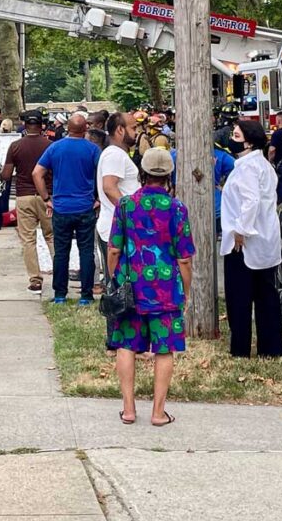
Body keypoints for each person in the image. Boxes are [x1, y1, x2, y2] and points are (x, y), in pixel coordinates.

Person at [107, 147, 194, 426]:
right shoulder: (177, 208)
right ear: (169, 175)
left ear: (142, 173)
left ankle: (129, 409)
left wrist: (115, 281)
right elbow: (184, 258)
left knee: (126, 345)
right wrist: (186, 291)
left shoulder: (125, 205)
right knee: (165, 348)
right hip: (166, 289)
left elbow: (113, 250)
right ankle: (158, 413)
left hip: (130, 287)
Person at [220, 119, 282, 358]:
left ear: (248, 142)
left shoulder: (247, 167)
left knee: (239, 300)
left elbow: (251, 201)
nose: (231, 140)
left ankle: (240, 349)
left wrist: (240, 230)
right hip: (265, 241)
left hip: (244, 243)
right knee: (266, 297)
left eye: (236, 136)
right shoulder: (263, 165)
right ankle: (272, 348)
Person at [32, 114, 101, 305]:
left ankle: (60, 294)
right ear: (85, 128)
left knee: (61, 252)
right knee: (86, 251)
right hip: (85, 206)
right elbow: (103, 174)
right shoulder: (92, 149)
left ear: (68, 128)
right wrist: (98, 199)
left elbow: (37, 173)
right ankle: (86, 295)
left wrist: (47, 198)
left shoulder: (55, 147)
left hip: (61, 207)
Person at [2, 110, 55, 293]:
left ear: (25, 126)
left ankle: (35, 280)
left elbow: (6, 175)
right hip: (47, 196)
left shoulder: (15, 146)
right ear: (42, 126)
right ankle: (60, 274)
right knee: (52, 236)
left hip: (24, 196)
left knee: (28, 239)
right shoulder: (51, 146)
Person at [97, 112, 140, 291]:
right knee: (118, 291)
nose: (137, 132)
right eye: (134, 128)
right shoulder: (114, 155)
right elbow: (109, 187)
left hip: (119, 227)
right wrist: (131, 213)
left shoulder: (117, 154)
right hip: (117, 229)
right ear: (120, 130)